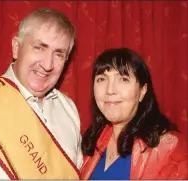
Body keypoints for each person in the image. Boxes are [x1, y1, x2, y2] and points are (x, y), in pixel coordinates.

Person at [0, 7, 83, 179]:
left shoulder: (68, 109)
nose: (47, 64)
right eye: (39, 48)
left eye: (59, 54)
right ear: (16, 47)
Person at [80, 48, 187, 180]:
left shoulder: (168, 147)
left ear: (142, 91)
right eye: (102, 79)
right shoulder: (92, 140)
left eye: (123, 79)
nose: (110, 90)